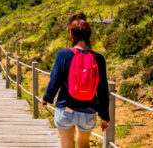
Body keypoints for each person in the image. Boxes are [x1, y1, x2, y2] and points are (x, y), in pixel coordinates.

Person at [41, 13, 110, 148]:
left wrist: (46, 98)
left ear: (72, 35)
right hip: (88, 111)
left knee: (67, 145)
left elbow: (55, 79)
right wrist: (104, 115)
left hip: (66, 109)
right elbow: (102, 89)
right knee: (84, 144)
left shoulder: (63, 54)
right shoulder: (99, 59)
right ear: (89, 35)